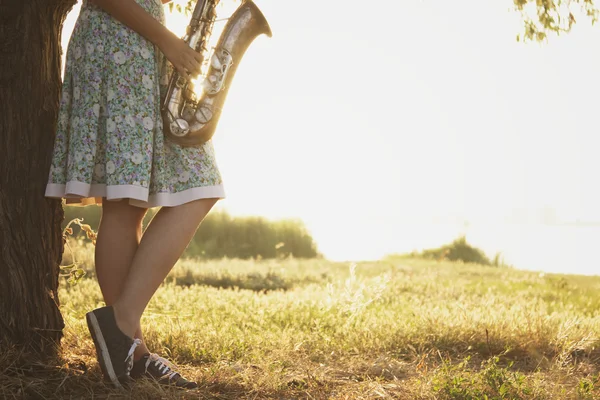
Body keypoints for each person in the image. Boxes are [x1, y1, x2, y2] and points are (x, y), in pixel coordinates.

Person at [44, 0, 225, 390]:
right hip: (118, 49)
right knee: (126, 204)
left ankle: (125, 338)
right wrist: (168, 41)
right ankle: (129, 340)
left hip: (143, 51)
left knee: (149, 199)